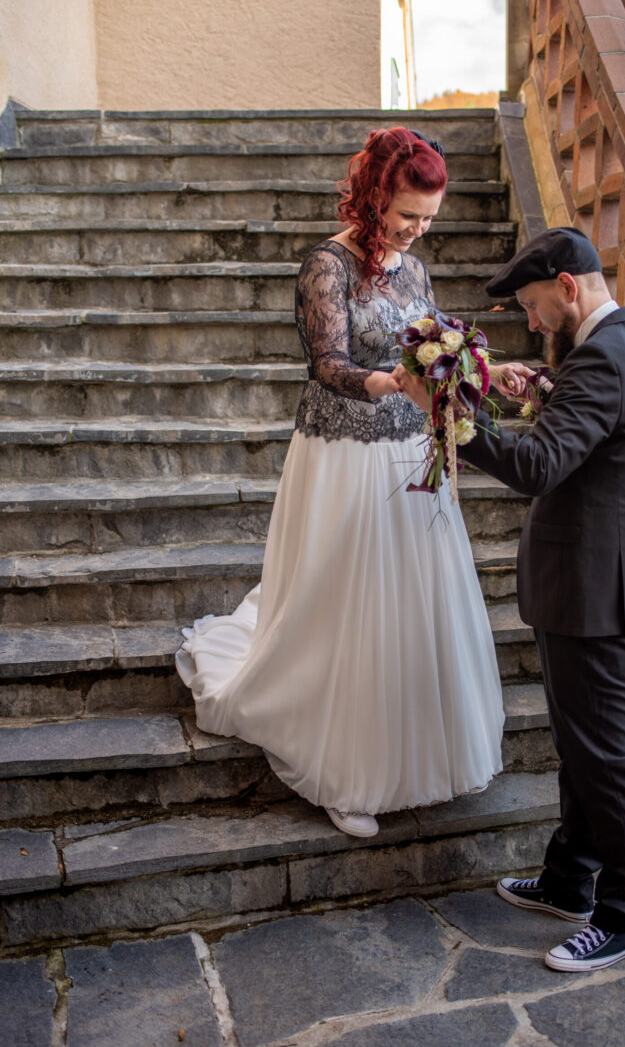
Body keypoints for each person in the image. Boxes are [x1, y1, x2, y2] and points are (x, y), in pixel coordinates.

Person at [176, 127, 504, 839]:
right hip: (340, 455)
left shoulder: (415, 271)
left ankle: (412, 754)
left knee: (412, 609)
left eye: (430, 219)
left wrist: (466, 374)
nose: (419, 231)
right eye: (409, 215)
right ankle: (343, 771)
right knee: (345, 607)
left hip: (407, 455)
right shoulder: (326, 265)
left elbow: (433, 343)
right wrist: (386, 381)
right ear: (377, 197)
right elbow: (325, 362)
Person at [395, 226, 625, 972]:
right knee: (582, 749)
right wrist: (546, 389)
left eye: (535, 305)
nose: (533, 321)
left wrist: (452, 414)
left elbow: (541, 465)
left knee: (605, 759)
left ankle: (621, 916)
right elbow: (601, 437)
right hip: (589, 588)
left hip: (595, 595)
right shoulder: (621, 348)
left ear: (569, 287)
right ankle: (566, 879)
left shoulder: (605, 361)